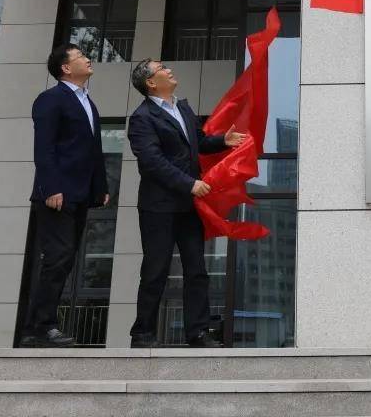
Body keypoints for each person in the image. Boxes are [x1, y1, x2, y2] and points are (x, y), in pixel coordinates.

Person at [126, 59, 246, 348]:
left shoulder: (182, 108)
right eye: (161, 68)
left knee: (196, 269)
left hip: (189, 206)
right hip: (159, 206)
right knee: (156, 270)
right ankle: (142, 334)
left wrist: (222, 141)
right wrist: (189, 183)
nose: (168, 70)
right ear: (151, 83)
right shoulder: (142, 118)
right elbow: (152, 163)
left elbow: (198, 141)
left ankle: (198, 332)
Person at [23, 44, 110, 347]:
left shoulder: (89, 103)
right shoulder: (50, 100)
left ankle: (40, 326)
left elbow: (93, 150)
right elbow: (43, 148)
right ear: (65, 68)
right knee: (57, 258)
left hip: (80, 193)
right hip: (56, 194)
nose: (88, 58)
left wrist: (100, 187)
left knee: (65, 258)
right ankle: (40, 327)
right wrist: (51, 187)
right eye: (80, 56)